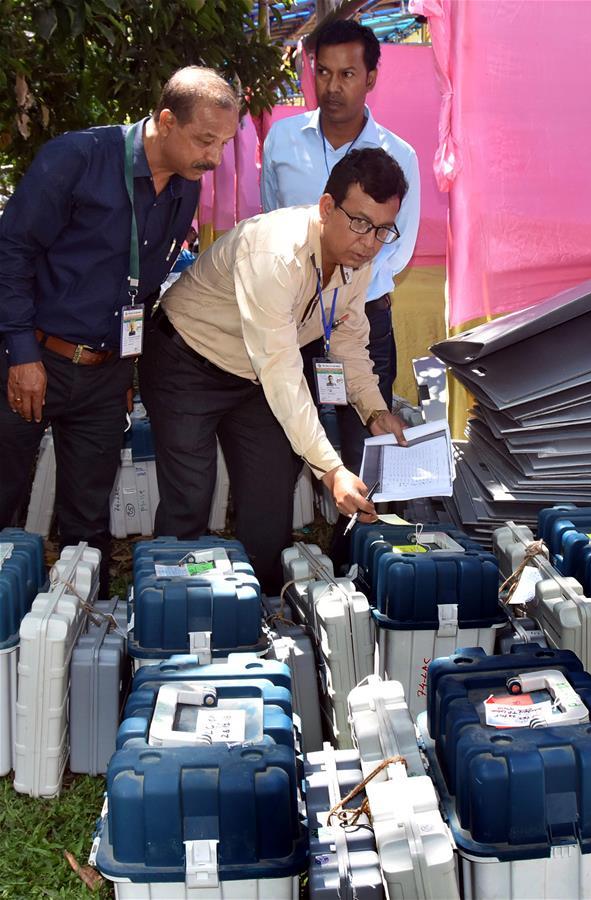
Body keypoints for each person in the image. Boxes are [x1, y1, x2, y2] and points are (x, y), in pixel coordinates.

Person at [0, 66, 239, 597]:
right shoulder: (78, 158)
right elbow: (12, 251)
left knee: (87, 524)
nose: (214, 157)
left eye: (224, 143)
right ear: (166, 120)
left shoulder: (184, 190)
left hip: (104, 376)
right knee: (3, 498)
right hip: (33, 357)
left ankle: (85, 633)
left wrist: (126, 367)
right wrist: (20, 354)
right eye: (205, 140)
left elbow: (144, 288)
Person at [139, 148, 409, 592]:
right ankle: (170, 609)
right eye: (360, 223)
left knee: (269, 498)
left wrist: (373, 408)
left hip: (253, 379)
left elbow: (348, 338)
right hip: (185, 362)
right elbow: (283, 372)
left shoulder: (359, 258)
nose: (369, 241)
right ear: (326, 207)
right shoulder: (274, 253)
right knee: (190, 496)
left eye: (383, 230)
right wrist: (330, 469)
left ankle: (264, 609)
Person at [261, 19, 421, 475]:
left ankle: (356, 544)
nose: (333, 87)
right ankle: (289, 539)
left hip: (362, 318)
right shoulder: (282, 141)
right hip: (293, 316)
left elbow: (398, 243)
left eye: (347, 74)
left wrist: (346, 285)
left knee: (365, 445)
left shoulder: (399, 155)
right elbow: (272, 221)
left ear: (370, 78)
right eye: (324, 73)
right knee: (283, 439)